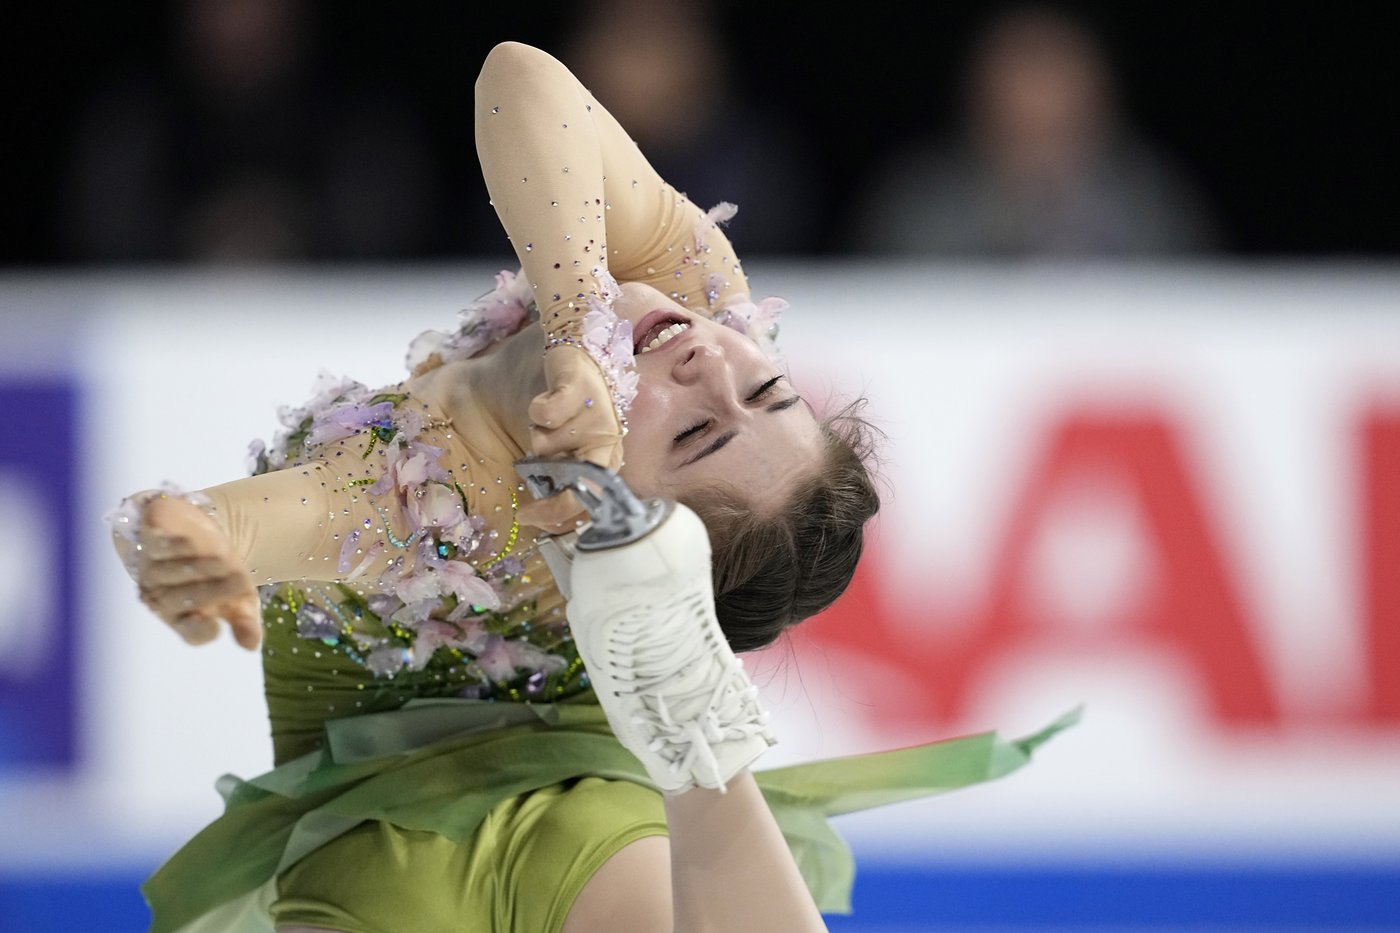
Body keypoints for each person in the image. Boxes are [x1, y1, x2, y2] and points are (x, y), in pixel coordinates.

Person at [111, 41, 1070, 932]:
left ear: (596, 519)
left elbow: (218, 528)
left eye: (695, 431)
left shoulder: (440, 504)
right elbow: (519, 78)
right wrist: (580, 331)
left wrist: (183, 542)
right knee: (388, 886)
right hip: (370, 817)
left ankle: (693, 726)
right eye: (768, 387)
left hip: (595, 750)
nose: (712, 362)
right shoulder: (690, 292)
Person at [848, 4, 1220, 257]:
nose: (1041, 98)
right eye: (1024, 69)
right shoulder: (923, 205)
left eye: (1057, 72)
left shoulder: (1150, 202)